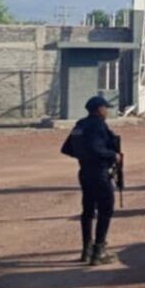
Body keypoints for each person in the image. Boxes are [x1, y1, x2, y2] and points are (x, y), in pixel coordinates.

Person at [60, 95, 121, 266]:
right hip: (99, 173)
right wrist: (113, 155)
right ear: (99, 109)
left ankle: (86, 250)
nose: (106, 111)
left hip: (85, 172)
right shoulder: (98, 125)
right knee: (105, 210)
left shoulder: (80, 125)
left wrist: (83, 157)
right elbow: (96, 148)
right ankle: (98, 251)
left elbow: (67, 148)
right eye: (105, 108)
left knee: (87, 211)